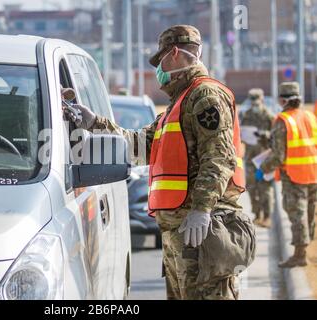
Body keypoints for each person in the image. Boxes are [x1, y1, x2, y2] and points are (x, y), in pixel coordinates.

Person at [64, 25, 255, 300]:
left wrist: (201, 209)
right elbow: (142, 145)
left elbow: (219, 157)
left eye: (160, 60)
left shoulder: (205, 96)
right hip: (183, 233)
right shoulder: (180, 103)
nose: (159, 71)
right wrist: (94, 123)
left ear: (175, 54)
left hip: (202, 231)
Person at [258, 82, 317, 268]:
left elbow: (279, 155)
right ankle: (305, 249)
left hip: (294, 175)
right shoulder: (309, 116)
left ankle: (300, 255)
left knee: (297, 213)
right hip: (313, 171)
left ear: (282, 100)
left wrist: (263, 168)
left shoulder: (283, 120)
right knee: (310, 212)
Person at [241, 89, 275, 227]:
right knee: (252, 187)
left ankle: (267, 217)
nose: (255, 104)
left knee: (265, 188)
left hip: (264, 159)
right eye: (252, 101)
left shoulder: (269, 116)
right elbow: (240, 133)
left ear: (261, 100)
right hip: (250, 159)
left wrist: (266, 135)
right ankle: (257, 214)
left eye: (257, 100)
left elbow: (276, 136)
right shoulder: (246, 115)